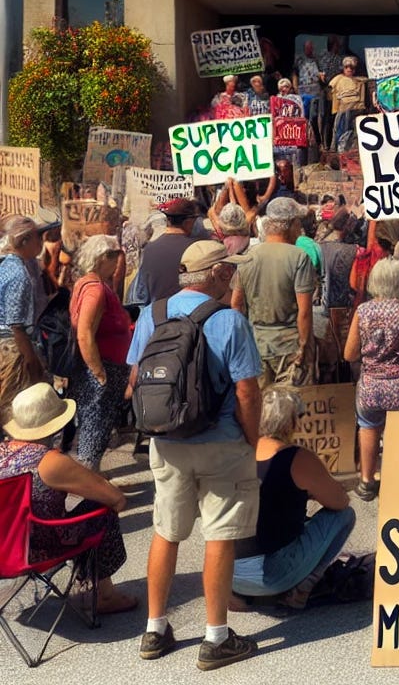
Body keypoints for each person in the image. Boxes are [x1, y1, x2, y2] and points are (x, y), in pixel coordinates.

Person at [128, 240, 262, 669]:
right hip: (221, 440)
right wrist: (251, 439)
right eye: (231, 271)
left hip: (167, 440)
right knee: (219, 534)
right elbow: (247, 390)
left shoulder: (152, 313)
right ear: (218, 274)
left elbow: (136, 380)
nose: (234, 277)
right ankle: (216, 637)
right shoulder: (230, 321)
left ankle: (154, 628)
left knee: (166, 531)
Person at [0, 383, 136, 614]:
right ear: (55, 424)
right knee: (101, 508)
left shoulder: (3, 451)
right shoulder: (50, 462)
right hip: (34, 551)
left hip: (4, 549)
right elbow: (116, 498)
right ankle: (104, 595)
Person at [231, 388, 355, 608]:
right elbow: (339, 502)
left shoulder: (237, 452)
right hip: (271, 574)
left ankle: (237, 595)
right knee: (345, 515)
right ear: (291, 423)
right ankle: (301, 589)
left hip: (227, 574)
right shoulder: (295, 457)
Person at [344, 257, 399, 499]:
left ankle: (367, 481)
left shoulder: (362, 311)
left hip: (370, 385)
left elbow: (349, 353)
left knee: (368, 428)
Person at [232, 197, 317, 389]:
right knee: (292, 406)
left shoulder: (248, 256)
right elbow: (304, 312)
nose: (300, 230)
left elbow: (236, 304)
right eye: (298, 224)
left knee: (263, 408)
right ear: (292, 225)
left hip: (257, 345)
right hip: (289, 347)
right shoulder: (299, 257)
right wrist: (304, 347)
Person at [68, 235, 132, 470]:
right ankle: (90, 481)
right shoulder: (95, 289)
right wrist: (99, 373)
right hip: (103, 366)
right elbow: (84, 333)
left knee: (96, 425)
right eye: (115, 256)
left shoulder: (90, 283)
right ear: (103, 257)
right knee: (95, 426)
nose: (118, 262)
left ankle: (93, 476)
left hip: (104, 365)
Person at [0, 215, 48, 422]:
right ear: (25, 240)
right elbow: (16, 326)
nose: (42, 242)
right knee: (16, 411)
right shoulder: (18, 274)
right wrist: (31, 360)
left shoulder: (8, 265)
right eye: (38, 237)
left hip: (9, 345)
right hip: (13, 350)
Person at [128, 198, 201, 305]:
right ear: (188, 221)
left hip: (157, 314)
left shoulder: (149, 249)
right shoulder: (197, 248)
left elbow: (141, 291)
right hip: (189, 314)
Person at [329, 56, 367, 152]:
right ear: (343, 68)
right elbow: (330, 91)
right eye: (347, 67)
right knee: (340, 131)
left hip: (356, 109)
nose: (349, 69)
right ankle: (338, 150)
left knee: (354, 133)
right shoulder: (338, 79)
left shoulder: (359, 81)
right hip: (343, 109)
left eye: (352, 68)